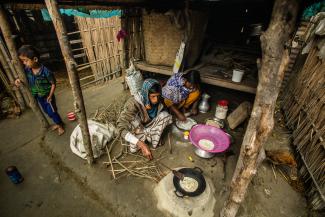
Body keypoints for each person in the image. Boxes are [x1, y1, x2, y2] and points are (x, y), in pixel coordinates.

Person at [15, 45, 65, 135]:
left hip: (47, 96)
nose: (24, 63)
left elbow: (53, 84)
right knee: (47, 112)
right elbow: (23, 77)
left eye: (25, 60)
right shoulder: (27, 70)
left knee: (52, 112)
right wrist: (18, 79)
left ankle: (60, 125)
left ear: (35, 59)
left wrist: (50, 96)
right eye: (22, 61)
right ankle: (58, 123)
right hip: (38, 96)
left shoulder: (46, 71)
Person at [117, 79, 172, 160]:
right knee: (132, 124)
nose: (156, 100)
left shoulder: (159, 99)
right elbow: (120, 128)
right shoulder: (133, 103)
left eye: (158, 96)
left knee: (165, 116)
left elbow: (165, 110)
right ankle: (143, 140)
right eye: (153, 96)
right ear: (146, 94)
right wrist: (140, 144)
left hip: (150, 126)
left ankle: (152, 137)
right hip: (138, 129)